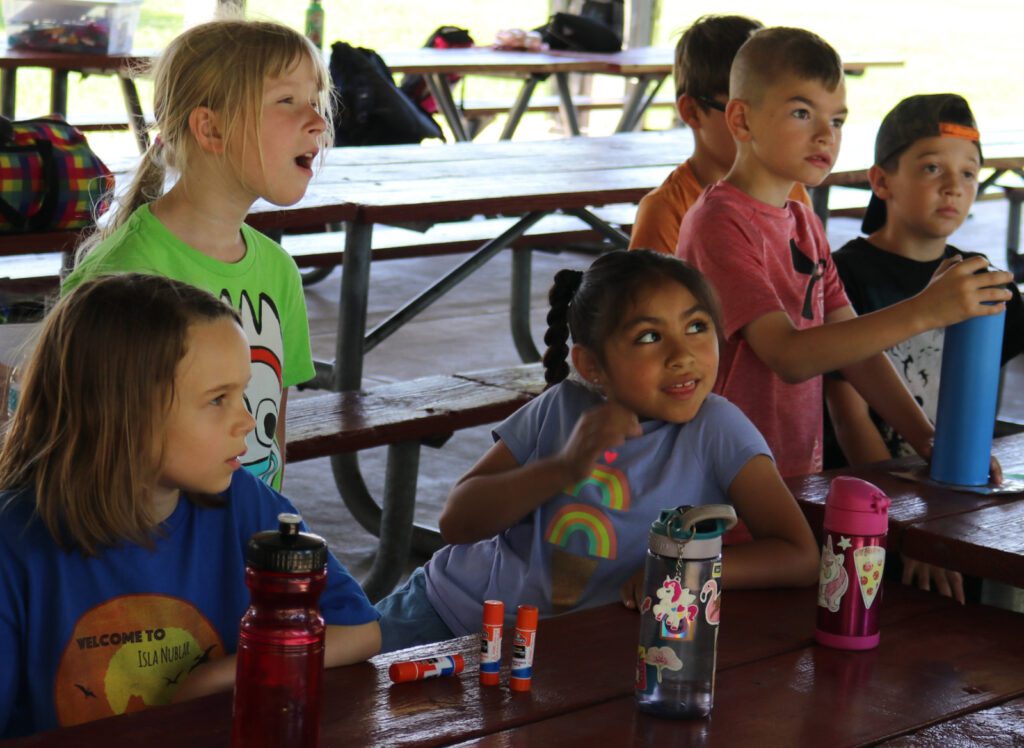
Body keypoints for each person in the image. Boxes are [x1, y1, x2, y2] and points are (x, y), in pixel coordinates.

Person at [374, 250, 819, 653]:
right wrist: (563, 467)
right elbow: (457, 522)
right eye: (649, 337)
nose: (683, 355)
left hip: (574, 650)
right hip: (449, 612)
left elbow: (798, 555)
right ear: (592, 365)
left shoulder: (717, 428)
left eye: (696, 327)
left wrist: (681, 568)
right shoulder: (562, 406)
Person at [0, 274, 380, 739]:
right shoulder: (13, 545)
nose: (245, 420)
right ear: (124, 410)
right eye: (217, 399)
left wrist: (218, 675)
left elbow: (359, 630)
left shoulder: (244, 503)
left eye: (243, 392)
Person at [676, 27, 1012, 483]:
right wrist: (924, 311)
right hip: (724, 475)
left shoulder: (802, 221)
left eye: (837, 121)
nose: (824, 136)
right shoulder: (718, 221)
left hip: (791, 470)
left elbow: (857, 353)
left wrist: (927, 438)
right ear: (741, 120)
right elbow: (788, 356)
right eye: (802, 112)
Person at [62, 18, 331, 490]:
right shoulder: (126, 275)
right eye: (287, 101)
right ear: (211, 128)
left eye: (316, 101)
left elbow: (273, 436)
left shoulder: (279, 270)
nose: (317, 121)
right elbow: (92, 447)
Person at [826, 93, 1024, 466]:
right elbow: (847, 418)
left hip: (954, 478)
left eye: (969, 172)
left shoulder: (984, 279)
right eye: (933, 168)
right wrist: (894, 513)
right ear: (882, 182)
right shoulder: (843, 277)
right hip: (870, 493)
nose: (954, 186)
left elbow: (983, 410)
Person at [628, 14, 811, 255]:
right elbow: (649, 293)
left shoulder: (791, 192)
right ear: (692, 112)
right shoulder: (667, 211)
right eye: (745, 115)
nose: (772, 129)